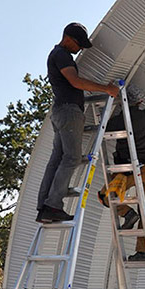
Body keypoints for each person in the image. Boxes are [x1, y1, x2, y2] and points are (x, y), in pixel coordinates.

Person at [37, 22, 118, 223]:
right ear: (67, 39)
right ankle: (53, 205)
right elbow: (75, 81)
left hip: (61, 111)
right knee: (72, 158)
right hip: (68, 112)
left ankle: (44, 206)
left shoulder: (57, 55)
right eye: (78, 44)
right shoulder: (62, 55)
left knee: (57, 159)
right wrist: (106, 89)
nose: (79, 48)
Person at [98, 85, 145, 262]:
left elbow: (104, 127)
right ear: (140, 101)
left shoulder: (119, 121)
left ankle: (127, 213)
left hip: (127, 171)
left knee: (105, 196)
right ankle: (143, 252)